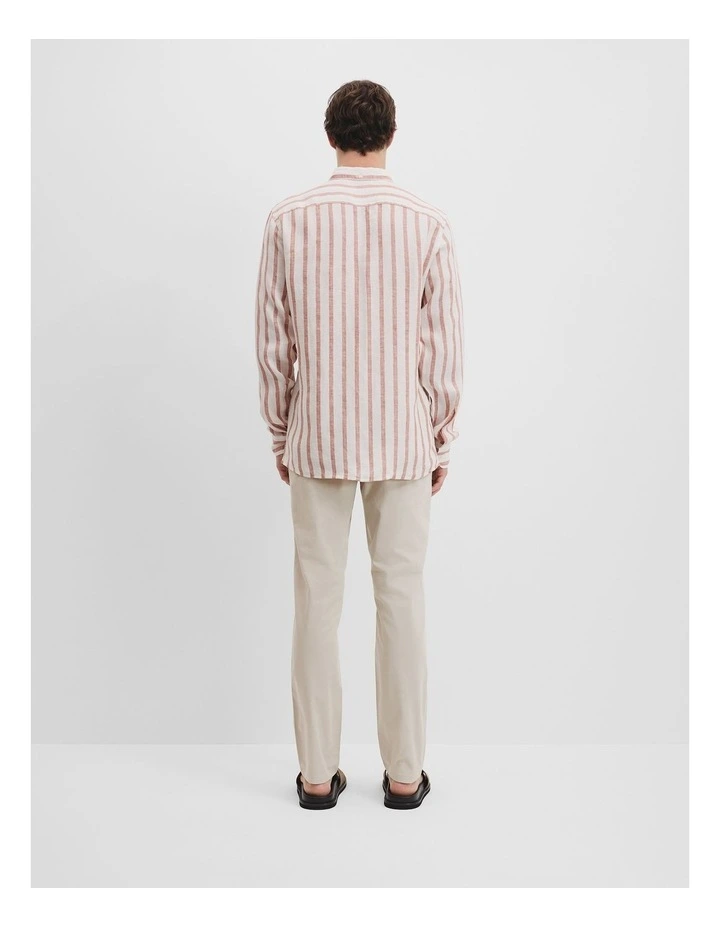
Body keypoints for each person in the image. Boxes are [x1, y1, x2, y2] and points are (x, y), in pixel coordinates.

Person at [255, 79, 464, 810]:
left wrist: (282, 431)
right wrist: (439, 439)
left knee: (316, 603)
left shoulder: (288, 220)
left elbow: (272, 345)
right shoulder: (428, 224)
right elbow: (443, 351)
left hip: (318, 437)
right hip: (403, 442)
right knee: (401, 601)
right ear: (391, 136)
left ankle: (317, 778)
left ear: (330, 135)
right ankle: (404, 777)